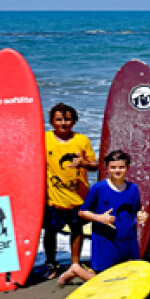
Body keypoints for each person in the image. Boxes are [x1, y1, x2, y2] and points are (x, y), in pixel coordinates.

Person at [73, 151, 149, 283]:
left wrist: (143, 216)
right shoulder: (98, 188)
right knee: (104, 281)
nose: (117, 170)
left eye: (121, 167)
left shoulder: (133, 188)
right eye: (113, 167)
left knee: (132, 278)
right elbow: (82, 212)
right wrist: (99, 218)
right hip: (105, 241)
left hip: (128, 240)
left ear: (128, 168)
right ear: (107, 169)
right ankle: (76, 270)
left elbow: (137, 210)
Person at [43, 103, 98, 281]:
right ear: (52, 121)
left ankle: (75, 263)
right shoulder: (44, 139)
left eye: (67, 119)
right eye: (59, 119)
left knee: (77, 229)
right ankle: (51, 264)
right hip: (53, 197)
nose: (63, 123)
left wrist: (84, 163)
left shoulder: (81, 140)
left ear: (73, 120)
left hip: (78, 197)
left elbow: (95, 165)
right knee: (50, 232)